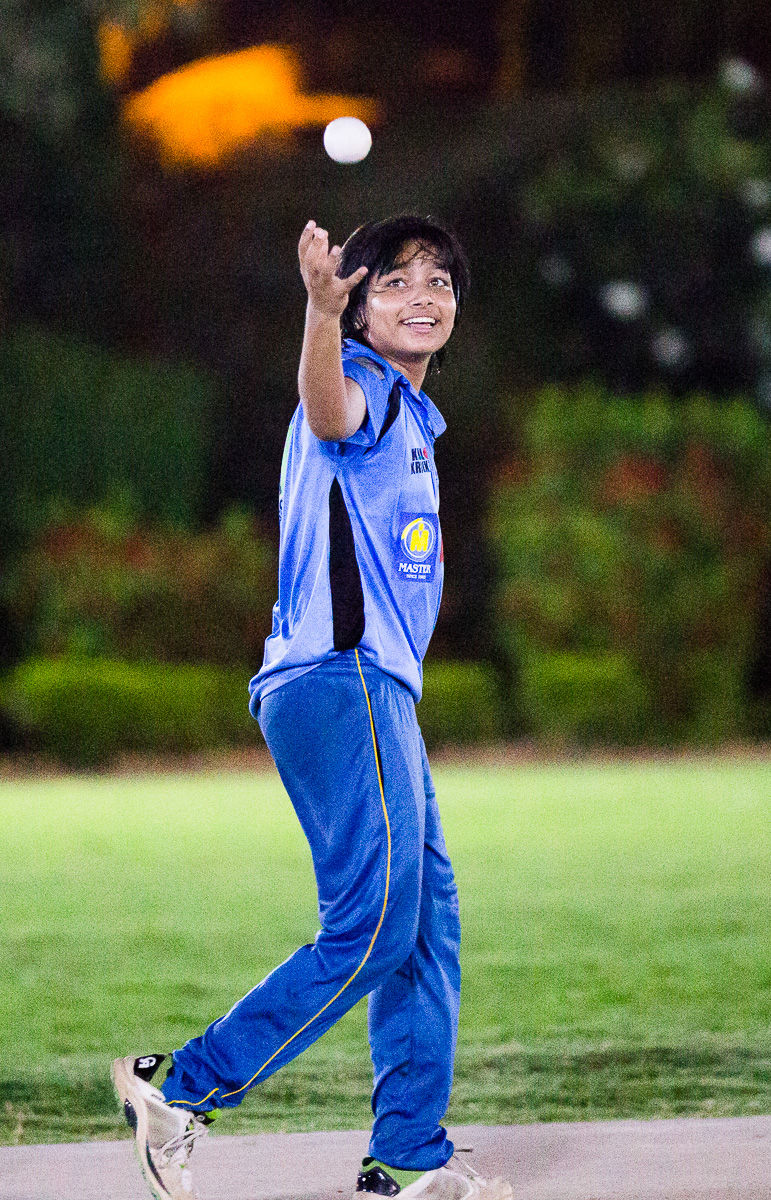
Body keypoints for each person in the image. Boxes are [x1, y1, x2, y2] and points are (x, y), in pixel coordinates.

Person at [112, 214, 512, 1200]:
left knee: (424, 925)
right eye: (396, 281)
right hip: (342, 681)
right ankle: (181, 1086)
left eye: (439, 282)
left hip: (368, 691)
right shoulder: (363, 383)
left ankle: (407, 1156)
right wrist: (320, 316)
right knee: (373, 927)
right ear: (360, 306)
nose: (423, 295)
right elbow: (328, 411)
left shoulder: (414, 418)